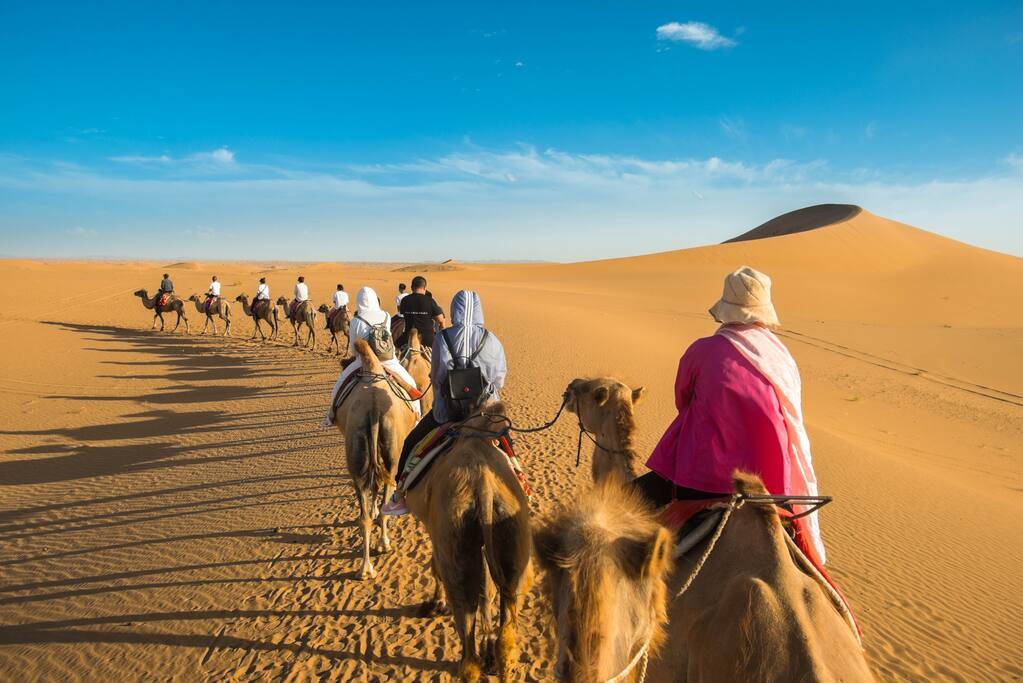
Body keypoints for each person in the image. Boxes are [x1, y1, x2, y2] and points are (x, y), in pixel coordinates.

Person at [636, 266, 826, 562]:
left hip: (703, 479)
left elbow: (682, 401)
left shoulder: (702, 350)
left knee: (624, 505)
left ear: (726, 308)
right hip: (773, 484)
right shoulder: (782, 358)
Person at [382, 289, 507, 515]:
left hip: (448, 412)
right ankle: (521, 483)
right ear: (479, 311)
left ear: (454, 310)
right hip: (484, 413)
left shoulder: (443, 337)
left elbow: (438, 378)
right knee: (508, 444)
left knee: (411, 443)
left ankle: (399, 494)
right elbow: (499, 379)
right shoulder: (492, 340)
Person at [322, 286, 421, 427]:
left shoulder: (356, 320)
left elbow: (354, 349)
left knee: (340, 383)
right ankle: (417, 415)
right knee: (410, 382)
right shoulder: (386, 316)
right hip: (388, 360)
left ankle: (331, 415)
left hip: (363, 361)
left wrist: (360, 356)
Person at [395, 276, 446, 349]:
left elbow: (401, 312)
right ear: (425, 288)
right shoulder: (429, 301)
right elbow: (440, 319)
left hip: (408, 338)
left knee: (394, 348)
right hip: (428, 340)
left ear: (412, 288)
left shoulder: (405, 300)